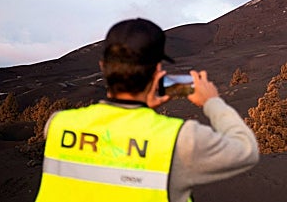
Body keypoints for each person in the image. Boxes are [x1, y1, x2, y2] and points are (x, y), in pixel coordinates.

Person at [35, 18, 259, 202]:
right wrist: (212, 101)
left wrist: (139, 110)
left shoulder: (57, 125)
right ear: (157, 73)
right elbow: (246, 150)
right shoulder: (179, 140)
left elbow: (108, 147)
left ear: (103, 67)